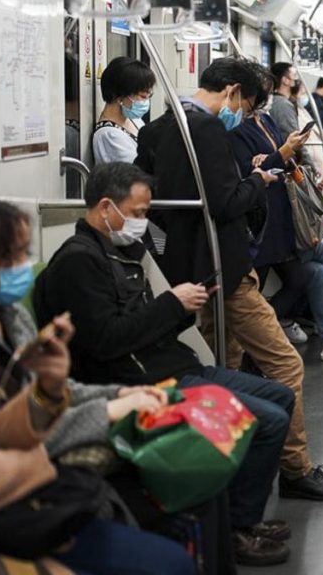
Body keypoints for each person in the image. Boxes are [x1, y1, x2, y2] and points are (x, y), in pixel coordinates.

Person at [31, 165, 308, 564]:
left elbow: (144, 328)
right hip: (147, 379)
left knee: (280, 396)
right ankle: (234, 530)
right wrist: (170, 304)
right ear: (107, 207)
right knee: (268, 421)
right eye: (138, 213)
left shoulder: (119, 251)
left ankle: (240, 516)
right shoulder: (79, 264)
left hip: (171, 363)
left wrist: (183, 308)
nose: (142, 223)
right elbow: (108, 341)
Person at [134, 57, 323, 501]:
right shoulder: (211, 129)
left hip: (187, 268)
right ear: (232, 91)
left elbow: (155, 199)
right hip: (226, 271)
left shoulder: (156, 129)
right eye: (247, 104)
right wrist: (255, 178)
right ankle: (296, 469)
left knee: (223, 366)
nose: (245, 115)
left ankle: (225, 467)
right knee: (285, 364)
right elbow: (226, 203)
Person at [0, 199, 195, 575]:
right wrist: (102, 413)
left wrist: (55, 390)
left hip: (9, 489)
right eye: (11, 257)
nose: (22, 266)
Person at [229, 75, 323, 365]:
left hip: (284, 209)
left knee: (314, 272)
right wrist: (279, 154)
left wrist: (287, 157)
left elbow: (282, 160)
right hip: (265, 220)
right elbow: (253, 174)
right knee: (316, 249)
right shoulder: (238, 131)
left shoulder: (267, 122)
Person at [93, 56, 156, 164]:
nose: (145, 102)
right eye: (142, 96)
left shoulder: (133, 119)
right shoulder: (109, 136)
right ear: (119, 95)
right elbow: (136, 172)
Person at [269, 62, 300, 137]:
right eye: (294, 76)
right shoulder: (283, 104)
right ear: (285, 80)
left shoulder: (274, 99)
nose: (296, 80)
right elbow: (293, 135)